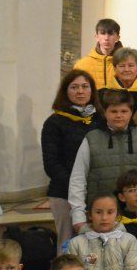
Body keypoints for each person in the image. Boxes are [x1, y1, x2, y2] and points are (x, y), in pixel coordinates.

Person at [68, 88, 137, 233]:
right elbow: (78, 179)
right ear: (105, 112)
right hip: (102, 217)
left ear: (131, 112)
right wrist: (78, 215)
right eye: (114, 111)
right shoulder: (91, 139)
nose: (119, 116)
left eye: (124, 111)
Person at [42, 69, 98, 245]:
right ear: (65, 91)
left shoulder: (100, 120)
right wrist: (77, 186)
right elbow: (51, 164)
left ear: (92, 90)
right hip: (64, 192)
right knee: (68, 241)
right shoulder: (55, 122)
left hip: (95, 192)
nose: (80, 91)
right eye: (74, 87)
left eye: (84, 86)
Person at [74, 17, 121, 90]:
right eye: (103, 33)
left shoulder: (125, 63)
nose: (106, 38)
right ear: (96, 37)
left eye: (111, 34)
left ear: (118, 37)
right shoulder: (82, 65)